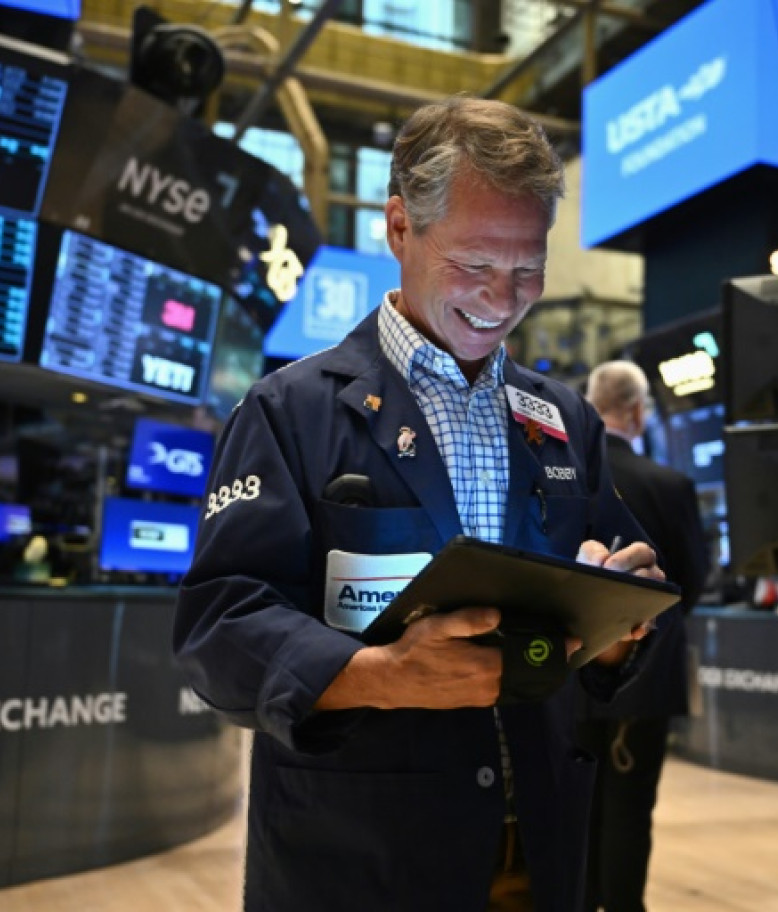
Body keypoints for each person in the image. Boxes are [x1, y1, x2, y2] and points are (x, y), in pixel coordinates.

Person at [174, 96, 665, 912]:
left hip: (538, 853)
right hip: (358, 856)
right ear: (399, 227)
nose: (503, 299)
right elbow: (220, 626)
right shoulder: (288, 412)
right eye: (474, 265)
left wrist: (620, 629)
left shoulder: (565, 420)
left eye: (528, 268)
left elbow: (629, 597)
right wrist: (382, 675)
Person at [579, 361, 709, 912]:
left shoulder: (566, 474)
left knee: (575, 806)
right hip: (648, 681)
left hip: (570, 672)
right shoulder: (671, 485)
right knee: (631, 810)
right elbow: (693, 583)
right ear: (636, 410)